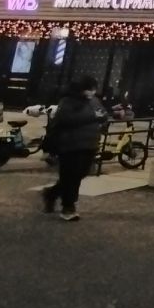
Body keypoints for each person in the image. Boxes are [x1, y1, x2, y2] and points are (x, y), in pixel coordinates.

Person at [41, 76, 106, 221]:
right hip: (71, 145)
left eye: (94, 89)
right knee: (70, 176)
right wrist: (93, 116)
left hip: (90, 144)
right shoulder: (68, 101)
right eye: (90, 89)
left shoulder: (94, 101)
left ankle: (51, 193)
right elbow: (65, 119)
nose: (92, 92)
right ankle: (68, 207)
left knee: (81, 174)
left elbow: (103, 114)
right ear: (82, 89)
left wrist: (100, 117)